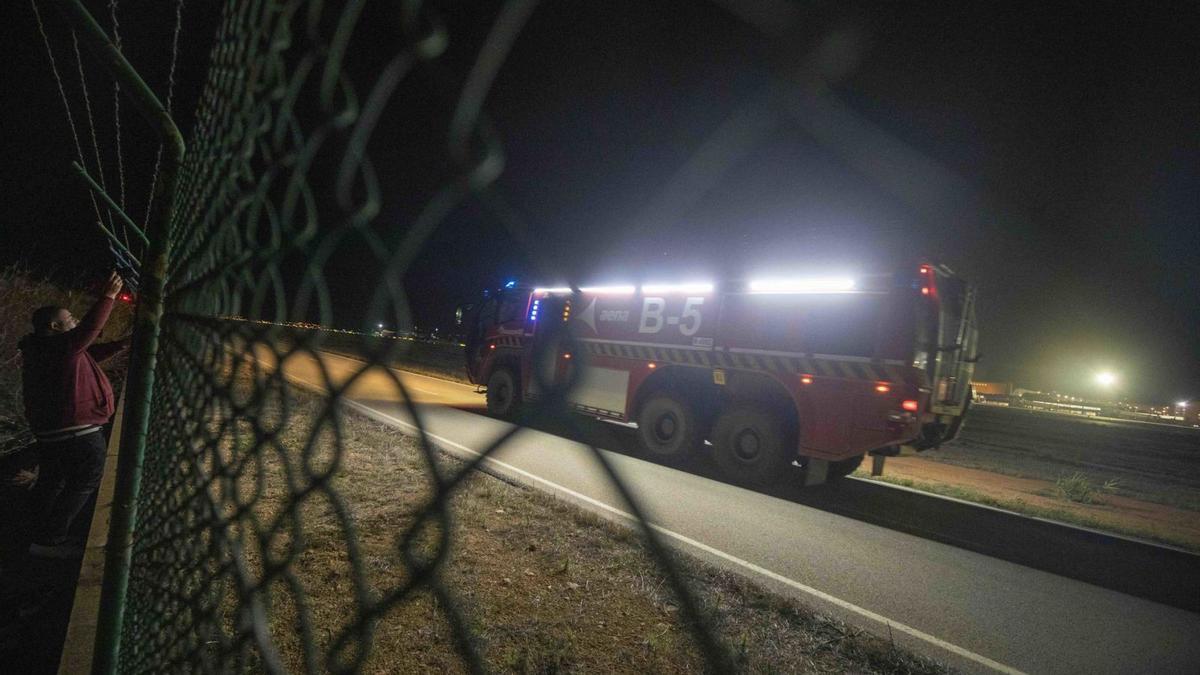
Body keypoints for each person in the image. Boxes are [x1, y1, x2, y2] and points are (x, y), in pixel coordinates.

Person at [18, 272, 130, 557]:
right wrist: (108, 297)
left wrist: (121, 344)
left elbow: (86, 352)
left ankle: (35, 531)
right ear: (55, 326)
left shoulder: (47, 348)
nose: (76, 321)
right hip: (75, 432)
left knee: (54, 480)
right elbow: (89, 331)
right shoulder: (55, 346)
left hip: (58, 431)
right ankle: (51, 539)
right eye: (70, 319)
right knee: (85, 479)